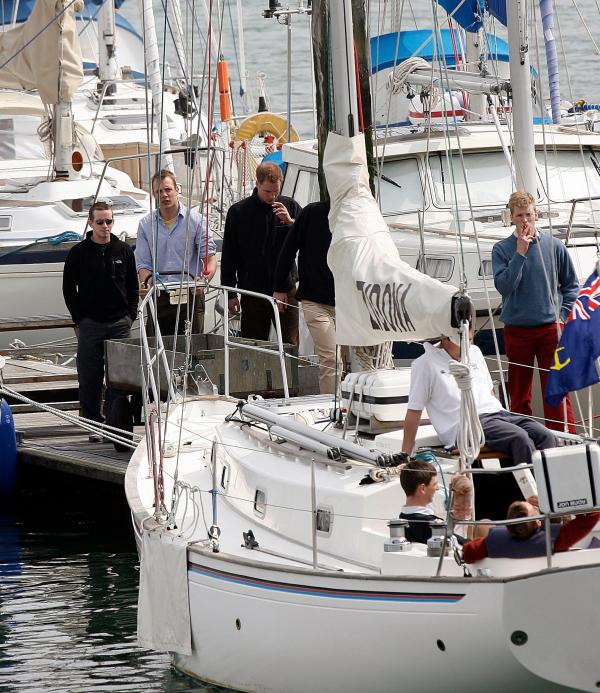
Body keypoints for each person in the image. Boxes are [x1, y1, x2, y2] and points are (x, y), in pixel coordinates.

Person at [492, 191, 579, 432]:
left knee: (557, 392)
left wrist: (562, 316)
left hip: (551, 329)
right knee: (519, 396)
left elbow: (571, 285)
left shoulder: (554, 246)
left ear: (536, 215)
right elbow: (504, 286)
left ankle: (564, 443)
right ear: (511, 218)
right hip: (517, 331)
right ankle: (524, 442)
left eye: (528, 214)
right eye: (519, 216)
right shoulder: (501, 249)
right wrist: (519, 253)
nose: (524, 221)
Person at [401, 334, 557, 466]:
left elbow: (489, 392)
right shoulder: (424, 364)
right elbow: (414, 411)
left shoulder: (475, 352)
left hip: (498, 414)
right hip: (465, 424)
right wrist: (405, 455)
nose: (469, 341)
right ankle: (535, 497)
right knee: (519, 438)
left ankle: (553, 493)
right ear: (445, 338)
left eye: (469, 336)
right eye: (464, 338)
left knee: (546, 436)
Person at [62, 201, 138, 441]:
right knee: (90, 376)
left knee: (119, 377)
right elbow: (68, 288)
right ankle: (93, 425)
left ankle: (114, 426)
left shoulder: (123, 250)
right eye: (100, 222)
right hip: (91, 323)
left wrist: (130, 314)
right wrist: (79, 318)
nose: (105, 226)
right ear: (90, 223)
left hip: (119, 322)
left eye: (109, 221)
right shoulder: (78, 253)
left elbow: (133, 286)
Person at [221, 162, 302, 346]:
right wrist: (230, 293)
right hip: (253, 292)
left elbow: (307, 238)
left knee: (290, 345)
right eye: (268, 191)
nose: (273, 196)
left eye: (276, 191)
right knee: (253, 346)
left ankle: (290, 376)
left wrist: (290, 222)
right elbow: (229, 254)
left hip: (286, 289)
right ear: (257, 184)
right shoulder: (238, 212)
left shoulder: (290, 205)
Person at [135, 170, 217, 336]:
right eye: (159, 191)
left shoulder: (196, 220)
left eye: (168, 190)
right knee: (157, 350)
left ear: (177, 190)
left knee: (192, 349)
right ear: (153, 194)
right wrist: (145, 284)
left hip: (190, 294)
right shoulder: (145, 225)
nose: (164, 195)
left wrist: (203, 280)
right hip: (159, 296)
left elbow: (210, 258)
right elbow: (143, 263)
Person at [273, 200, 341, 393]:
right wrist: (279, 287)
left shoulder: (357, 212)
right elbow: (288, 250)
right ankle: (331, 409)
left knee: (346, 360)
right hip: (315, 301)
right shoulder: (312, 212)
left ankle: (349, 406)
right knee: (331, 358)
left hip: (347, 302)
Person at [463, 496, 600, 562]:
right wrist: (554, 504)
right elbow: (592, 515)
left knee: (484, 523)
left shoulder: (490, 544)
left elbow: (467, 553)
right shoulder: (557, 541)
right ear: (538, 523)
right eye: (534, 509)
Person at [399, 459, 475, 544]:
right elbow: (466, 545)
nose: (437, 488)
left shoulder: (402, 519)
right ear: (422, 489)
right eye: (435, 484)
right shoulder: (433, 526)